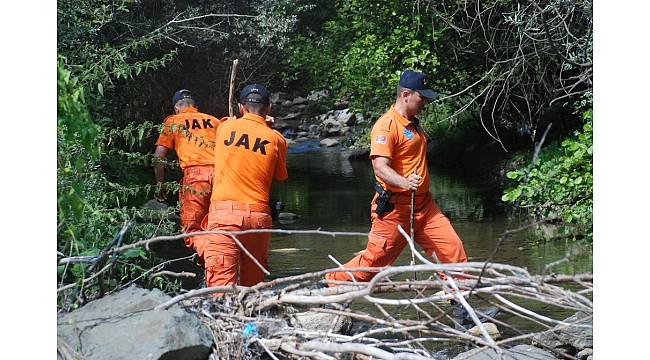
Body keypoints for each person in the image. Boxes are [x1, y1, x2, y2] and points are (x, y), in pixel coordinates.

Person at [325, 69, 468, 284]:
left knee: (452, 250)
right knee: (373, 265)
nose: (425, 103)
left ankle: (462, 307)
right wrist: (405, 182)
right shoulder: (386, 126)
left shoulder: (413, 123)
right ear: (406, 95)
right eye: (422, 97)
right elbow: (380, 168)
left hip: (424, 206)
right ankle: (329, 282)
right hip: (395, 209)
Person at [194, 83, 288, 288]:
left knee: (220, 288)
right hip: (258, 218)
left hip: (225, 216)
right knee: (252, 289)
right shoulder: (276, 139)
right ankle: (250, 320)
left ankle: (222, 318)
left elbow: (232, 123)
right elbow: (280, 177)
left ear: (240, 107)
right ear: (269, 109)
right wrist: (267, 127)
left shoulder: (224, 127)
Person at [153, 89, 220, 255]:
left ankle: (213, 264)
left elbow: (159, 156)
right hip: (222, 177)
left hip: (196, 178)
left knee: (193, 230)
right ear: (195, 106)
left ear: (176, 108)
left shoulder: (173, 121)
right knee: (220, 228)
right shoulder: (214, 121)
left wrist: (160, 185)